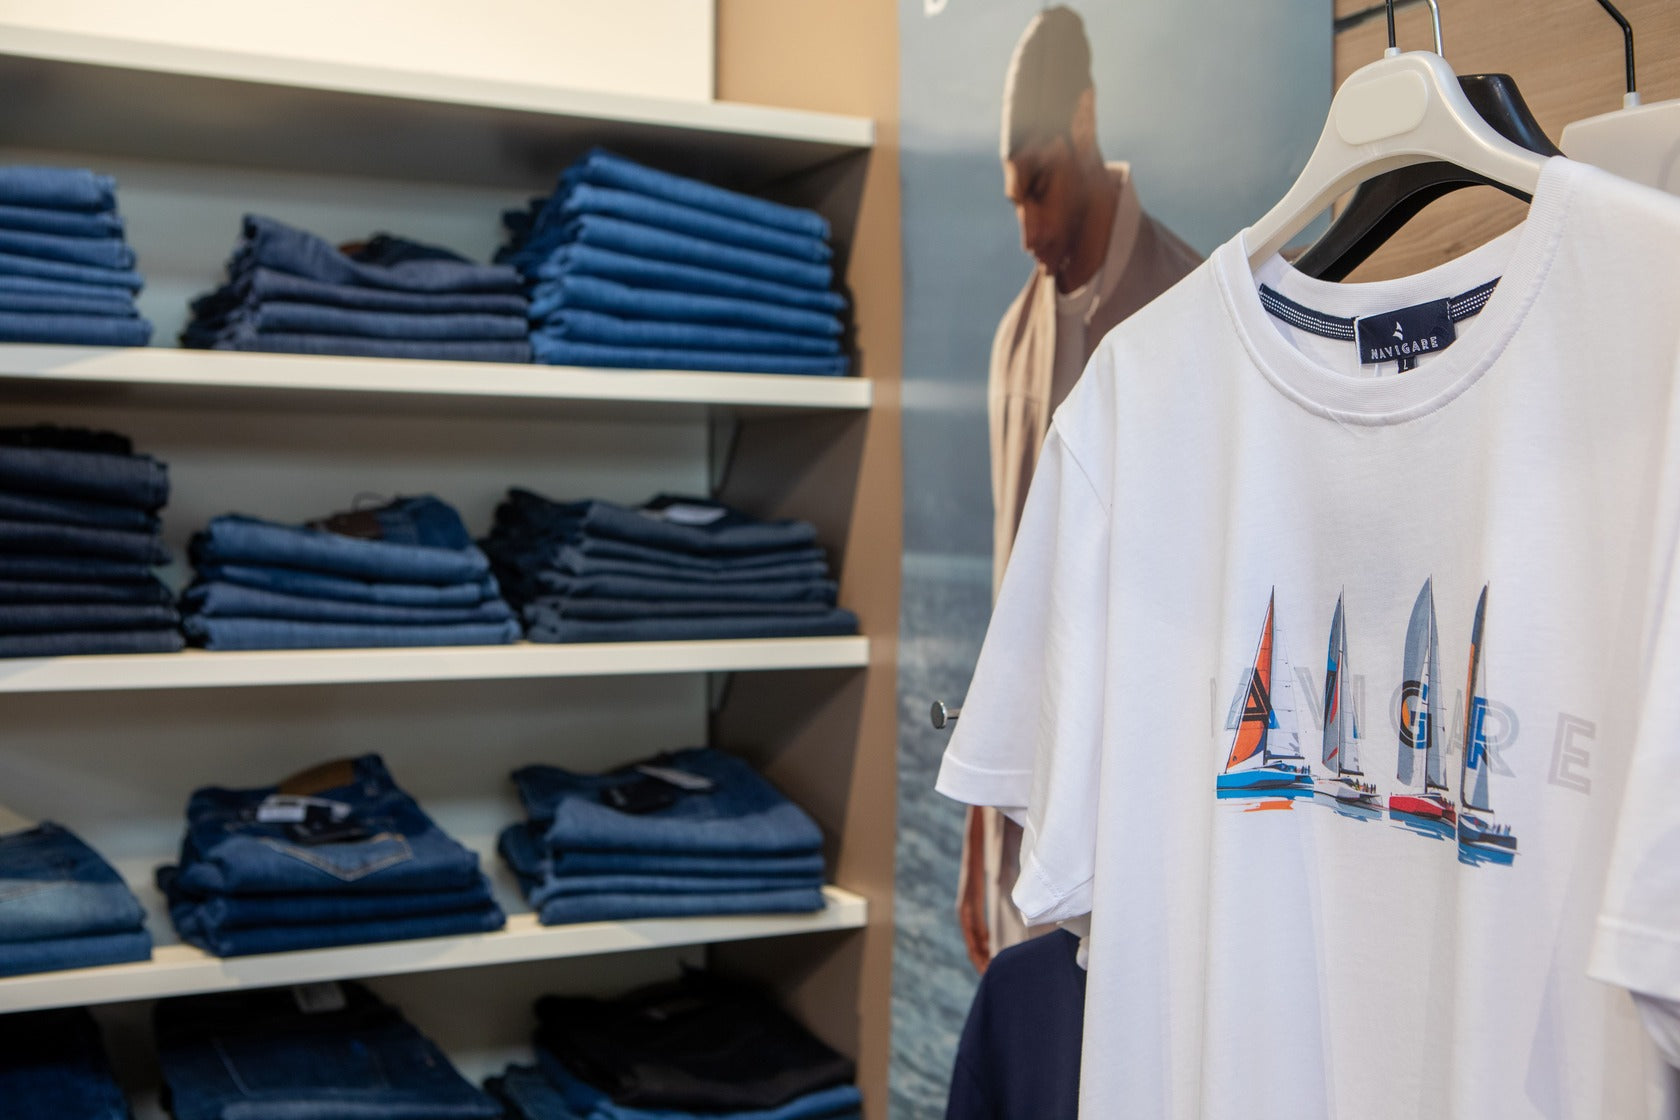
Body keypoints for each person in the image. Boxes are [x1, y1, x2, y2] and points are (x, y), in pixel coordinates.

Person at [959, 4, 1201, 973]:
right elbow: (1007, 613)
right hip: (1026, 825)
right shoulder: (1012, 342)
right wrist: (976, 835)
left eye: (1041, 189)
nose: (1028, 228)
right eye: (1014, 198)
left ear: (1086, 120)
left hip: (1149, 821)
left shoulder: (1191, 312)